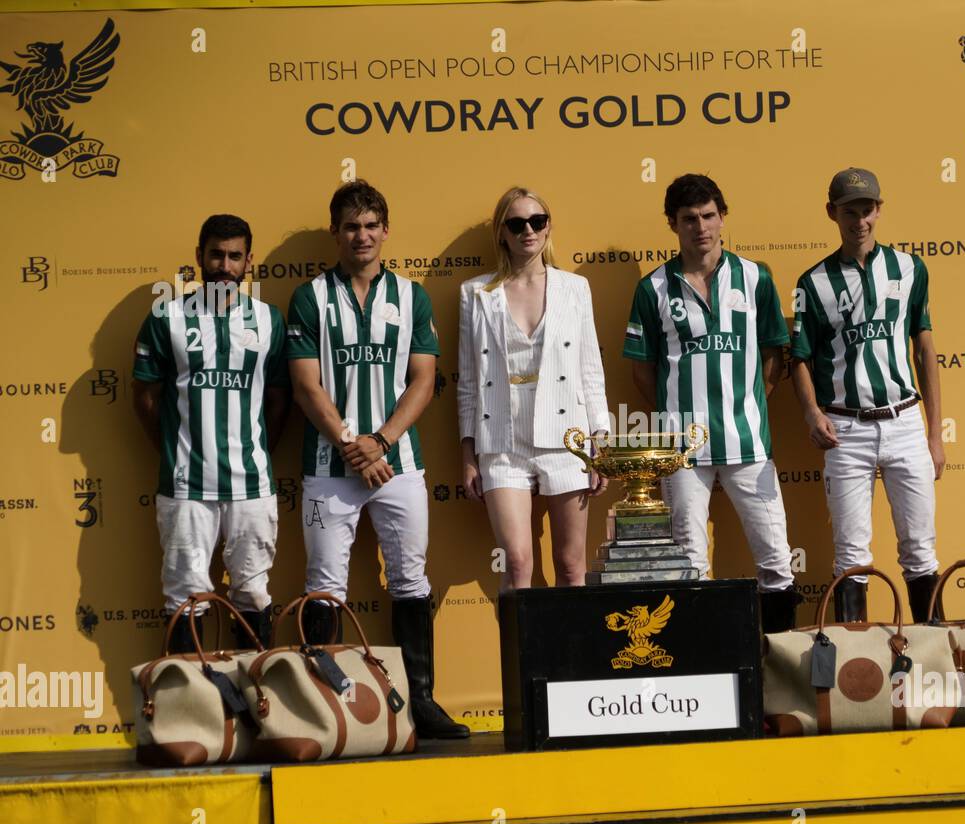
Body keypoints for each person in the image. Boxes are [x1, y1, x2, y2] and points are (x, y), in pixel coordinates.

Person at [285, 180, 468, 739]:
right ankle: (323, 708)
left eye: (370, 225)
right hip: (328, 466)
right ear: (336, 233)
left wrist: (381, 442)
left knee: (411, 578)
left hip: (399, 464)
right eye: (350, 226)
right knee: (324, 584)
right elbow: (305, 386)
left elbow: (424, 378)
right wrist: (351, 442)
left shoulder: (410, 296)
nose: (361, 236)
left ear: (385, 231)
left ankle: (422, 703)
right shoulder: (310, 296)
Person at [623, 173, 801, 631]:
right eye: (688, 219)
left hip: (748, 443)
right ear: (672, 224)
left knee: (776, 558)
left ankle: (778, 668)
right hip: (682, 450)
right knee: (689, 561)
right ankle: (702, 672)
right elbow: (643, 369)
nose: (700, 227)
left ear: (723, 217)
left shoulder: (755, 277)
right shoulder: (653, 288)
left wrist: (750, 401)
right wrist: (679, 413)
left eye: (708, 216)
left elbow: (773, 353)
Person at [790, 168, 945, 624]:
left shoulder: (910, 268)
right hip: (846, 429)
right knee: (851, 554)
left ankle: (933, 654)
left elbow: (926, 351)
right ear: (831, 213)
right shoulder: (812, 283)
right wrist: (810, 411)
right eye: (850, 211)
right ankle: (855, 669)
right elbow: (798, 356)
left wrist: (934, 435)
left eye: (867, 210)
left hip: (903, 422)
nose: (860, 220)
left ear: (880, 210)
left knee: (919, 547)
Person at [132, 215, 290, 653]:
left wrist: (254, 452)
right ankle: (191, 712)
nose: (224, 264)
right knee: (185, 594)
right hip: (186, 486)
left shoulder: (269, 320)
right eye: (216, 254)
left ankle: (254, 706)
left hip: (251, 484)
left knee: (254, 593)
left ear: (249, 261)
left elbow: (279, 402)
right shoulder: (166, 316)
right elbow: (145, 397)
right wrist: (176, 453)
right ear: (199, 256)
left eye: (234, 256)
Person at [458, 187, 611, 591]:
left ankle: (573, 655)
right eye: (517, 223)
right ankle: (521, 655)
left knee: (570, 566)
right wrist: (469, 453)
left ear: (548, 228)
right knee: (518, 563)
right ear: (502, 233)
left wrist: (599, 445)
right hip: (502, 441)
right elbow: (469, 382)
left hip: (567, 440)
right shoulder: (475, 294)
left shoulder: (574, 289)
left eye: (537, 221)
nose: (529, 230)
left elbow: (590, 371)